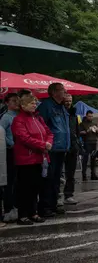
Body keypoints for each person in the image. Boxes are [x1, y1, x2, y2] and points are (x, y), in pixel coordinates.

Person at [12, 94, 53, 225]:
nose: (34, 105)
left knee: (36, 187)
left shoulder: (38, 118)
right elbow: (23, 138)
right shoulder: (19, 120)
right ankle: (23, 214)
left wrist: (48, 143)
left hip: (40, 157)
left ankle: (33, 212)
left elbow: (49, 133)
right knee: (25, 188)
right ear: (23, 106)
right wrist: (43, 145)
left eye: (35, 103)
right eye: (31, 103)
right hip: (26, 159)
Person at [37, 83, 70, 217]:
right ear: (55, 92)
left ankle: (53, 204)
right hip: (52, 148)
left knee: (56, 178)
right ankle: (45, 207)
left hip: (61, 148)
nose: (65, 92)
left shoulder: (61, 107)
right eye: (63, 90)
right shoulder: (46, 106)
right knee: (48, 178)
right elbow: (41, 126)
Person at [0, 93, 19, 222]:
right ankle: (8, 207)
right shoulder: (6, 117)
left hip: (19, 151)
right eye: (13, 101)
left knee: (17, 180)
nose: (16, 103)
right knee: (10, 181)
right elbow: (1, 132)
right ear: (7, 103)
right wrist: (11, 143)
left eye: (17, 100)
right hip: (10, 151)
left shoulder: (19, 116)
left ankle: (15, 205)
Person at [63, 94, 81, 205]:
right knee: (56, 174)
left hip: (73, 147)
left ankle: (69, 194)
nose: (68, 103)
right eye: (66, 101)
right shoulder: (59, 113)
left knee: (70, 173)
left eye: (70, 101)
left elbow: (77, 131)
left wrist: (77, 144)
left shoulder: (74, 115)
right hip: (61, 147)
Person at [80, 110, 98, 181]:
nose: (91, 117)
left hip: (94, 142)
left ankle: (93, 175)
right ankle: (84, 175)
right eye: (89, 116)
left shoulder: (94, 123)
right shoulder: (82, 124)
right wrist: (87, 131)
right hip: (86, 142)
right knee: (85, 159)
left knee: (93, 159)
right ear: (86, 116)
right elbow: (80, 132)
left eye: (92, 116)